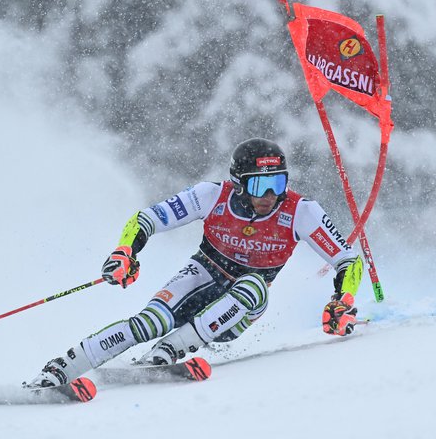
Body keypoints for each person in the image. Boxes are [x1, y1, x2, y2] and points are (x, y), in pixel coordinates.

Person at [26, 138, 363, 388]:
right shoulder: (211, 195)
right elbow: (147, 218)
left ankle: (169, 351)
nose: (270, 195)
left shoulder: (300, 211)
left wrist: (342, 301)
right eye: (260, 184)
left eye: (279, 183)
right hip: (204, 272)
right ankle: (59, 370)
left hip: (243, 306)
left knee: (252, 284)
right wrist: (125, 252)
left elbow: (347, 260)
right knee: (149, 322)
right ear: (239, 183)